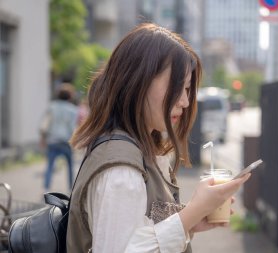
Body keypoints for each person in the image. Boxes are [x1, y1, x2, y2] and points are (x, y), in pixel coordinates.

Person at [66, 23, 250, 253]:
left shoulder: (133, 150)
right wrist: (191, 214)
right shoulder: (121, 169)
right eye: (177, 87)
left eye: (187, 90)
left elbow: (138, 236)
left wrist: (189, 222)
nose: (184, 101)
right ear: (138, 81)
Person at [39, 83, 78, 191]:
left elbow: (45, 124)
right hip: (66, 141)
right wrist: (75, 142)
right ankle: (71, 188)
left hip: (53, 140)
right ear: (70, 96)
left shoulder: (52, 106)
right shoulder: (73, 110)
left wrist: (42, 139)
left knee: (50, 165)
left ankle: (46, 188)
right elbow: (72, 127)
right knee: (70, 166)